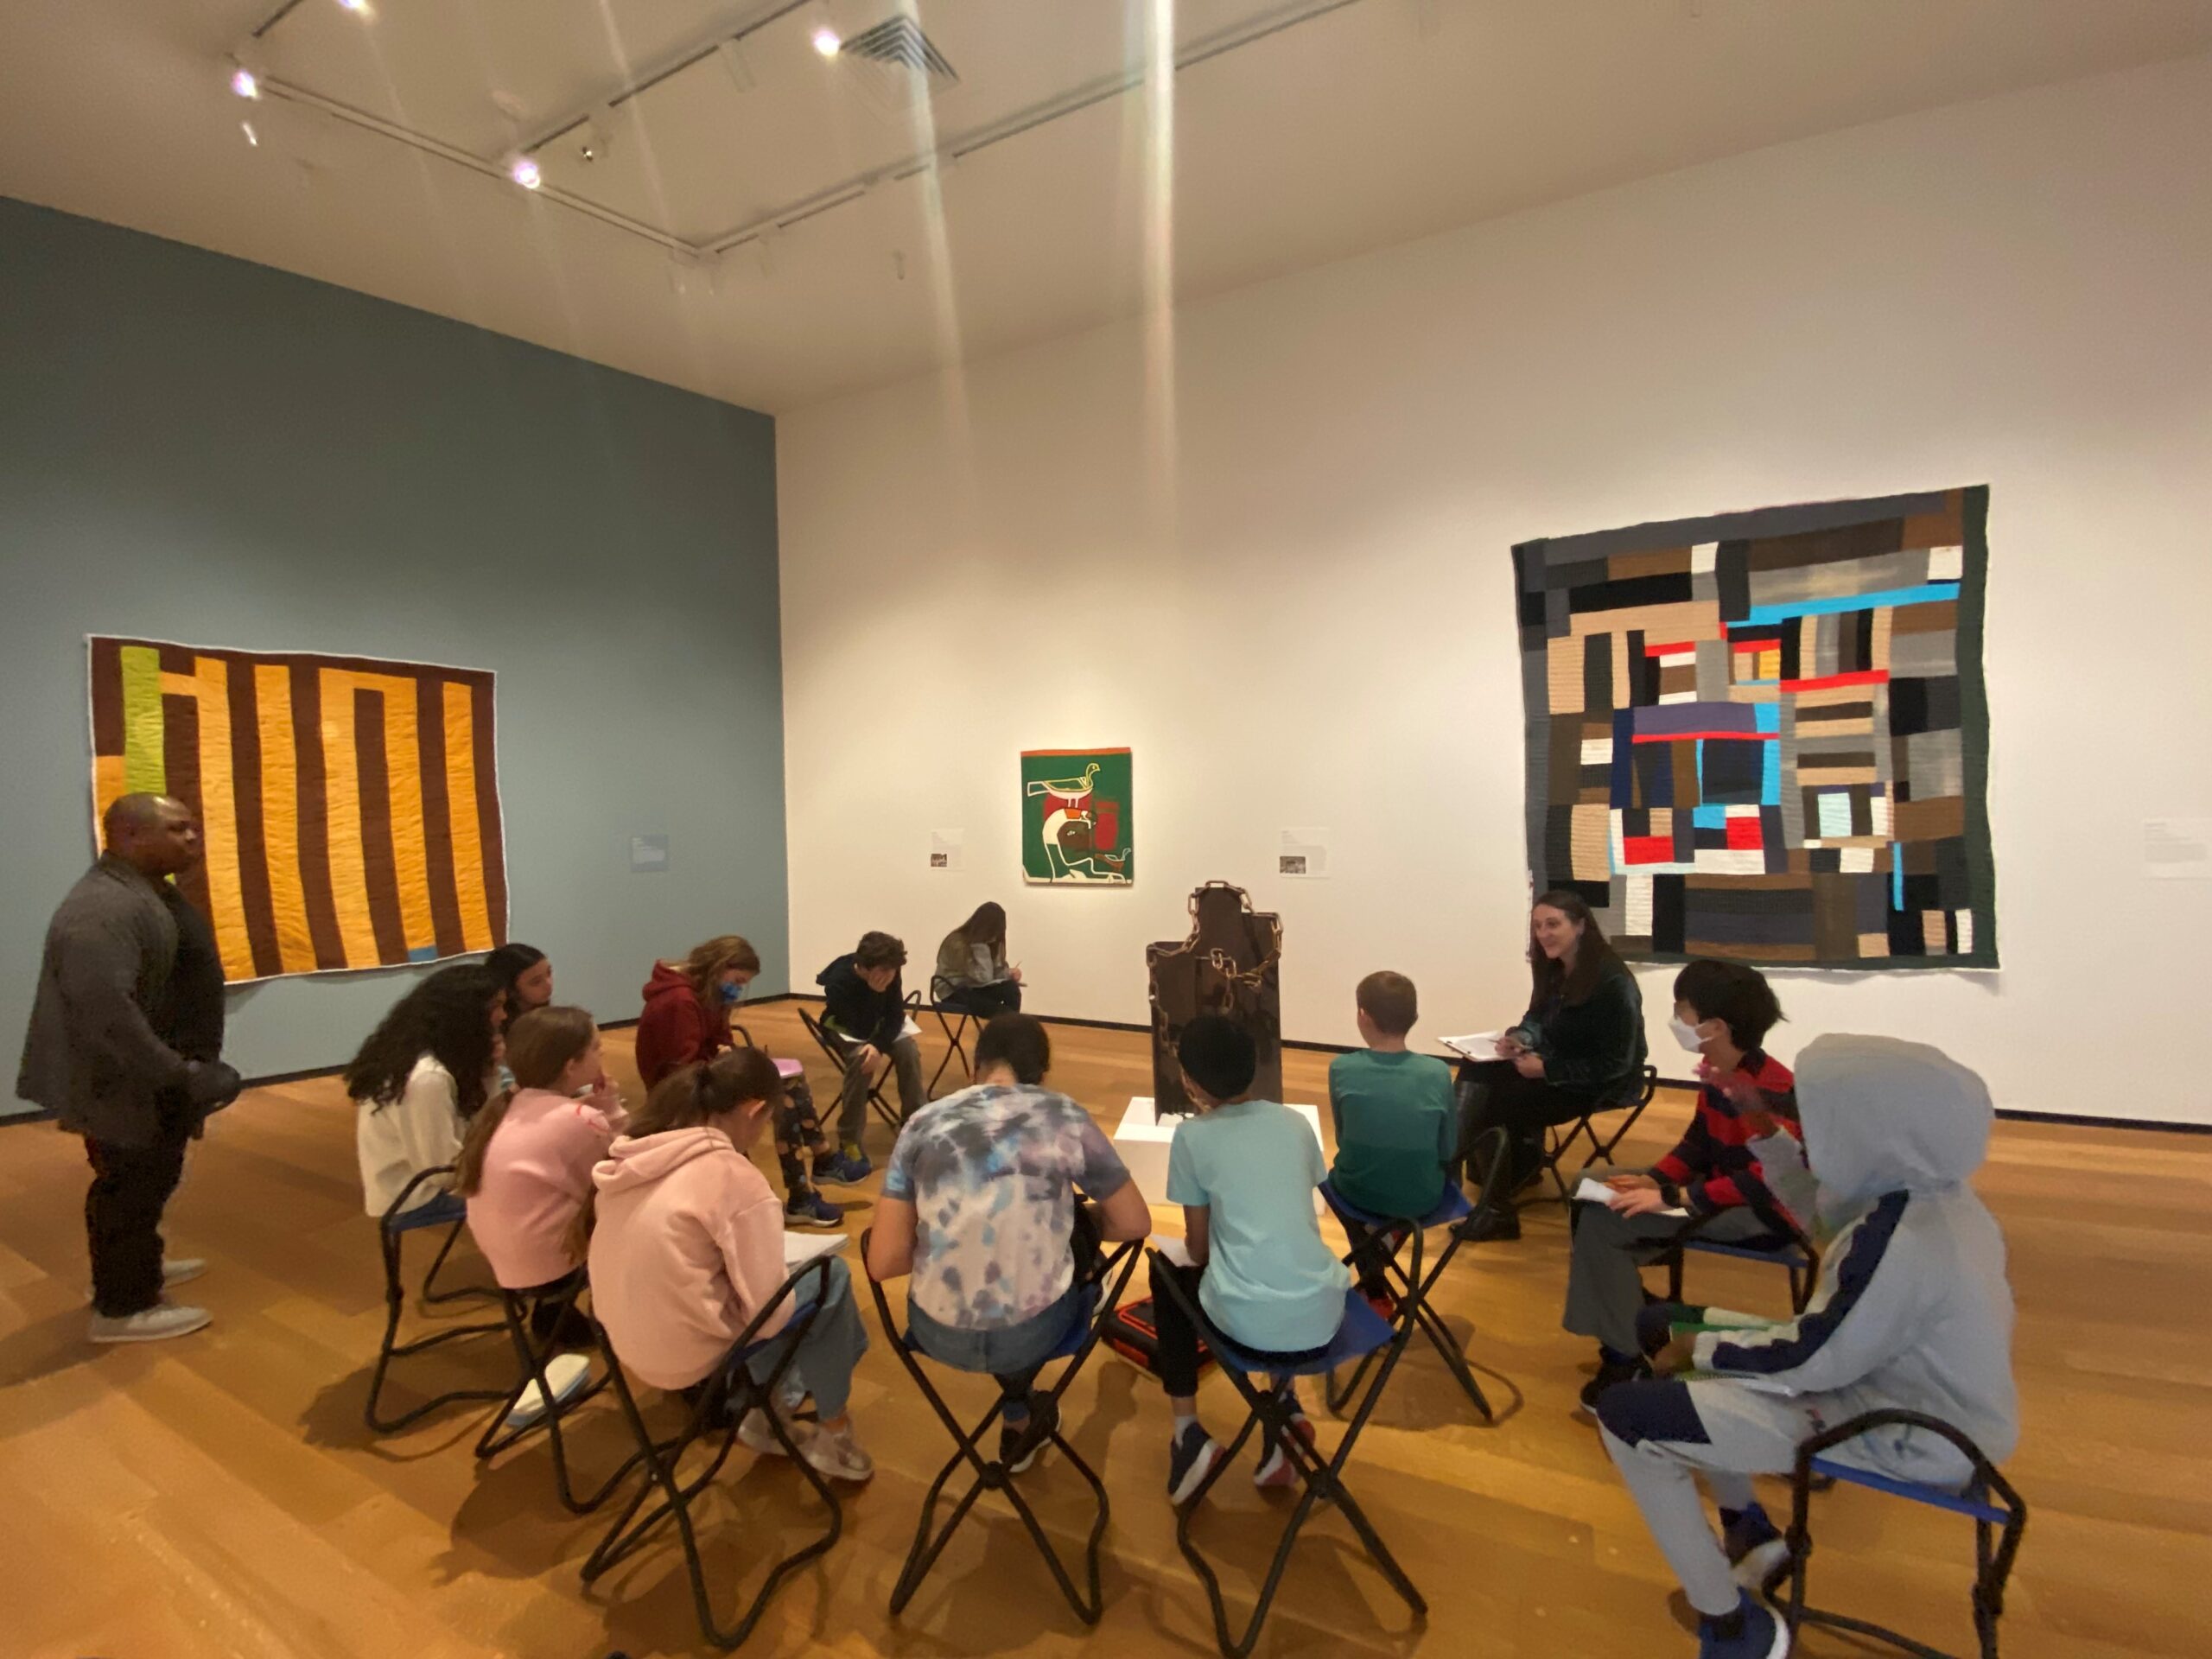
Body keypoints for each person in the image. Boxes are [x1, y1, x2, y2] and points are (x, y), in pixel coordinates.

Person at [1596, 1035, 2018, 1658]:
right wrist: (1758, 1123)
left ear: (1869, 1130)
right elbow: (1817, 1214)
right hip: (1889, 1380)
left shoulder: (1899, 1241)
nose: (1811, 1129)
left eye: (1821, 1119)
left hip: (1905, 1427)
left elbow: (1812, 1359)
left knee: (1629, 1420)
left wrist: (1701, 1353)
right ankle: (1751, 1531)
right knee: (1662, 1325)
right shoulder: (1924, 1196)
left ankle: (1734, 1628)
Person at [868, 1014, 1150, 1469]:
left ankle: (1018, 1415)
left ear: (975, 1068)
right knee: (1060, 1262)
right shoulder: (1061, 1115)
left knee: (1000, 1268)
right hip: (1034, 1330)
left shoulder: (922, 1123)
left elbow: (883, 1263)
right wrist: (1083, 1223)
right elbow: (1135, 1222)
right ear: (1040, 1075)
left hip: (936, 1334)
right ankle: (1020, 1412)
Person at [588, 1049, 875, 1483]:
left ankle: (769, 1409)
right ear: (755, 1111)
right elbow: (769, 1316)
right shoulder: (732, 1177)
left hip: (623, 1343)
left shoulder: (633, 1157)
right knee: (831, 1279)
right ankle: (833, 1429)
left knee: (774, 1287)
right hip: (687, 1357)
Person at [17, 794, 243, 1344]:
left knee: (151, 1178)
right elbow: (105, 1011)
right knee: (130, 1186)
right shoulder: (103, 908)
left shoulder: (145, 890)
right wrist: (179, 1073)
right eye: (176, 829)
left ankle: (139, 1266)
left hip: (150, 1080)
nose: (192, 838)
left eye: (193, 827)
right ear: (130, 837)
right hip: (125, 1082)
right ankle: (122, 1306)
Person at [1566, 960, 1802, 1413]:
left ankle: (1623, 1353)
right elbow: (1697, 1143)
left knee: (1602, 1220)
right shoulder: (1717, 1070)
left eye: (1682, 1011)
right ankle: (1630, 1307)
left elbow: (1764, 1179)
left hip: (1762, 1211)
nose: (1676, 1019)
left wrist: (1677, 1197)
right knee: (1588, 1185)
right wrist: (1656, 1177)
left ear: (1713, 1026)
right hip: (1717, 1191)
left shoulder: (1772, 1087)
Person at [1150, 1016, 1351, 1503]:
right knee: (1277, 1260)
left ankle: (1187, 1432)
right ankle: (1284, 1406)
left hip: (1249, 1321)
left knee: (1164, 1273)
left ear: (1191, 1083)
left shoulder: (1192, 1138)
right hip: (1324, 1309)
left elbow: (1197, 1249)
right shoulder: (1295, 1122)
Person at [1456, 890, 1648, 1241]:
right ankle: (1461, 1163)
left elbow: (1617, 1064)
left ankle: (1495, 1210)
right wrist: (1521, 1039)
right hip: (1552, 1064)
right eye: (1538, 926)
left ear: (1580, 926)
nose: (1543, 933)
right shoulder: (1554, 967)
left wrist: (1548, 1070)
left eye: (1553, 924)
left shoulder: (1614, 983)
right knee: (1475, 1069)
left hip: (1595, 1083)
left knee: (1493, 1104)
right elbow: (1536, 1018)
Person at [639, 935, 850, 1220]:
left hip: (704, 1080)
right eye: (737, 981)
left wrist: (731, 1056)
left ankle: (812, 1176)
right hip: (683, 1095)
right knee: (782, 1091)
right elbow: (681, 1070)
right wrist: (726, 1062)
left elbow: (719, 1041)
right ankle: (813, 1172)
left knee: (787, 1083)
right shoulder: (680, 1002)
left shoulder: (705, 996)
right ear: (719, 968)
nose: (738, 989)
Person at [455, 1005, 627, 1304]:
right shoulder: (579, 1119)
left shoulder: (508, 1105)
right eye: (596, 1049)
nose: (601, 1056)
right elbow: (615, 1182)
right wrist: (610, 1109)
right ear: (570, 1065)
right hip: (551, 1265)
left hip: (507, 1260)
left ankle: (555, 1319)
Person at [1326, 971, 1458, 1309]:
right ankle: (1385, 1244)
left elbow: (1344, 1139)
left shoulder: (1342, 1068)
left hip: (1359, 1191)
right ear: (1414, 1018)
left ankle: (1374, 1287)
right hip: (1422, 1196)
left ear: (1362, 1016)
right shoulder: (1438, 1072)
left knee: (1332, 1183)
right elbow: (1447, 1148)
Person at [347, 963, 504, 1220]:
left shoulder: (418, 1055)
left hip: (424, 1182)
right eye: (495, 1007)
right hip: (415, 1195)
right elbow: (444, 1173)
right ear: (468, 1014)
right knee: (544, 1187)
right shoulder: (427, 1079)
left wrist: (489, 1072)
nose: (503, 1016)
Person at [816, 930, 926, 1176]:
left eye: (894, 970)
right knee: (861, 1059)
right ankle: (850, 1138)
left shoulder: (890, 972)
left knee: (908, 1048)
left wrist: (878, 1044)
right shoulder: (839, 982)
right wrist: (875, 995)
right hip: (845, 1027)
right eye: (885, 971)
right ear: (865, 968)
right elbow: (859, 1027)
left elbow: (895, 1015)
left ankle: (915, 1121)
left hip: (879, 1026)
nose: (891, 975)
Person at [933, 901, 1023, 1019]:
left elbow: (994, 973)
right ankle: (1004, 1031)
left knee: (1011, 989)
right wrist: (981, 946)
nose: (996, 936)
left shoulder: (992, 942)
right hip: (954, 989)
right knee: (1002, 1012)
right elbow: (983, 977)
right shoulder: (957, 943)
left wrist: (1009, 973)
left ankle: (1009, 1031)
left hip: (975, 987)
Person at [484, 942, 553, 1033]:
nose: (548, 984)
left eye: (549, 973)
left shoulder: (548, 1016)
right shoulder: (499, 1028)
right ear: (511, 990)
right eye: (536, 982)